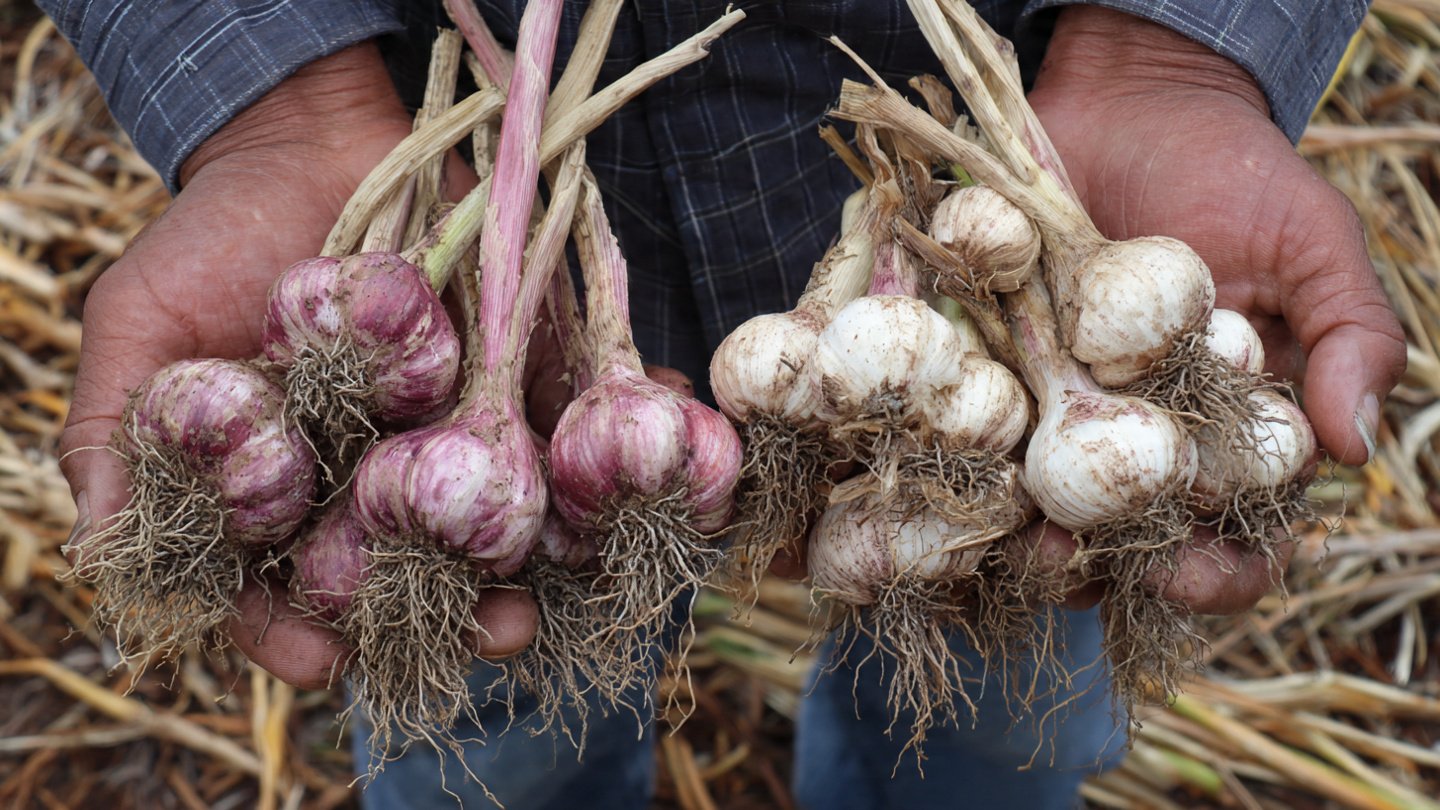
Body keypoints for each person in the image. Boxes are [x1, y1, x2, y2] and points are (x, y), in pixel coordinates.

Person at [45, 1, 1405, 808]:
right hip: (475, 249)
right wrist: (273, 101)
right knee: (486, 687)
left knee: (1022, 630)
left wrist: (1171, 53)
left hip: (1024, 151)